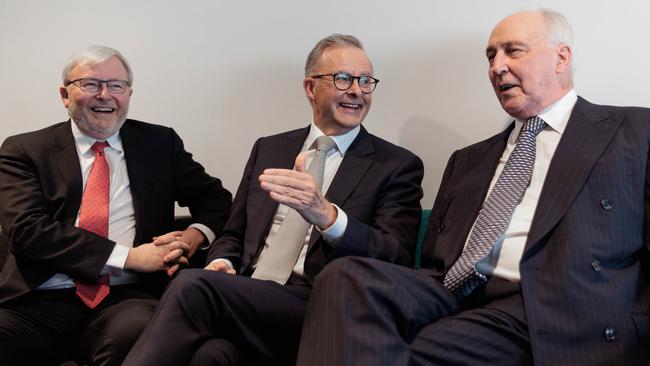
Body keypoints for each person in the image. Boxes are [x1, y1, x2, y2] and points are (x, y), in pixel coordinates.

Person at [295, 10, 650, 366]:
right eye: (491, 56)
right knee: (342, 276)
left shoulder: (633, 131)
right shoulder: (468, 160)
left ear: (561, 57)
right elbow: (435, 260)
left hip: (550, 301)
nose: (497, 67)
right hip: (451, 291)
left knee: (401, 353)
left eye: (513, 51)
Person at [124, 34, 424, 365]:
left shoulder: (396, 165)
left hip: (318, 304)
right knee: (211, 355)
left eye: (366, 81)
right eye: (343, 78)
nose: (357, 90)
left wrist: (327, 216)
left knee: (194, 286)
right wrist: (221, 262)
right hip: (249, 295)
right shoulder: (270, 149)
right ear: (311, 88)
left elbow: (395, 257)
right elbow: (234, 232)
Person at [0, 45, 233, 365]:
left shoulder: (159, 144)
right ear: (65, 95)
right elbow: (28, 231)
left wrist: (192, 237)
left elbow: (218, 202)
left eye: (116, 85)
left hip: (127, 297)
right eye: (91, 84)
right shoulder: (25, 150)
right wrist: (128, 257)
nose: (104, 95)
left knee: (135, 335)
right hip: (40, 298)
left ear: (129, 94)